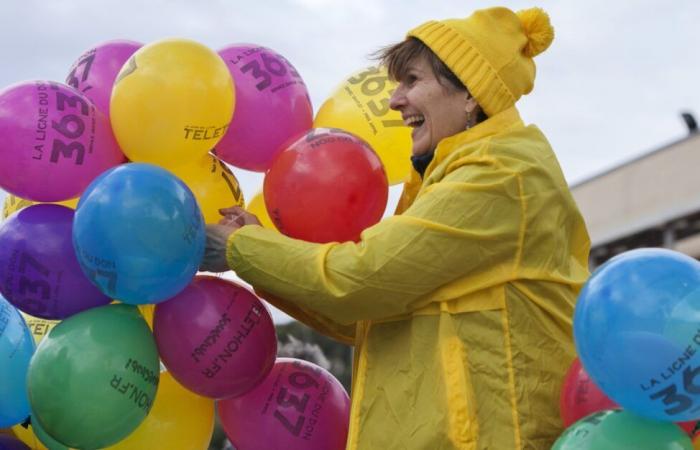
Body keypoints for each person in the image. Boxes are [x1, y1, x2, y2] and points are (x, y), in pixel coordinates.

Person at [202, 6, 590, 449]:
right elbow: (370, 312)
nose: (394, 100)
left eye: (413, 80)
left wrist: (243, 247)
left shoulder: (503, 175)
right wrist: (252, 251)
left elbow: (362, 279)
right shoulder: (455, 177)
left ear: (470, 94)